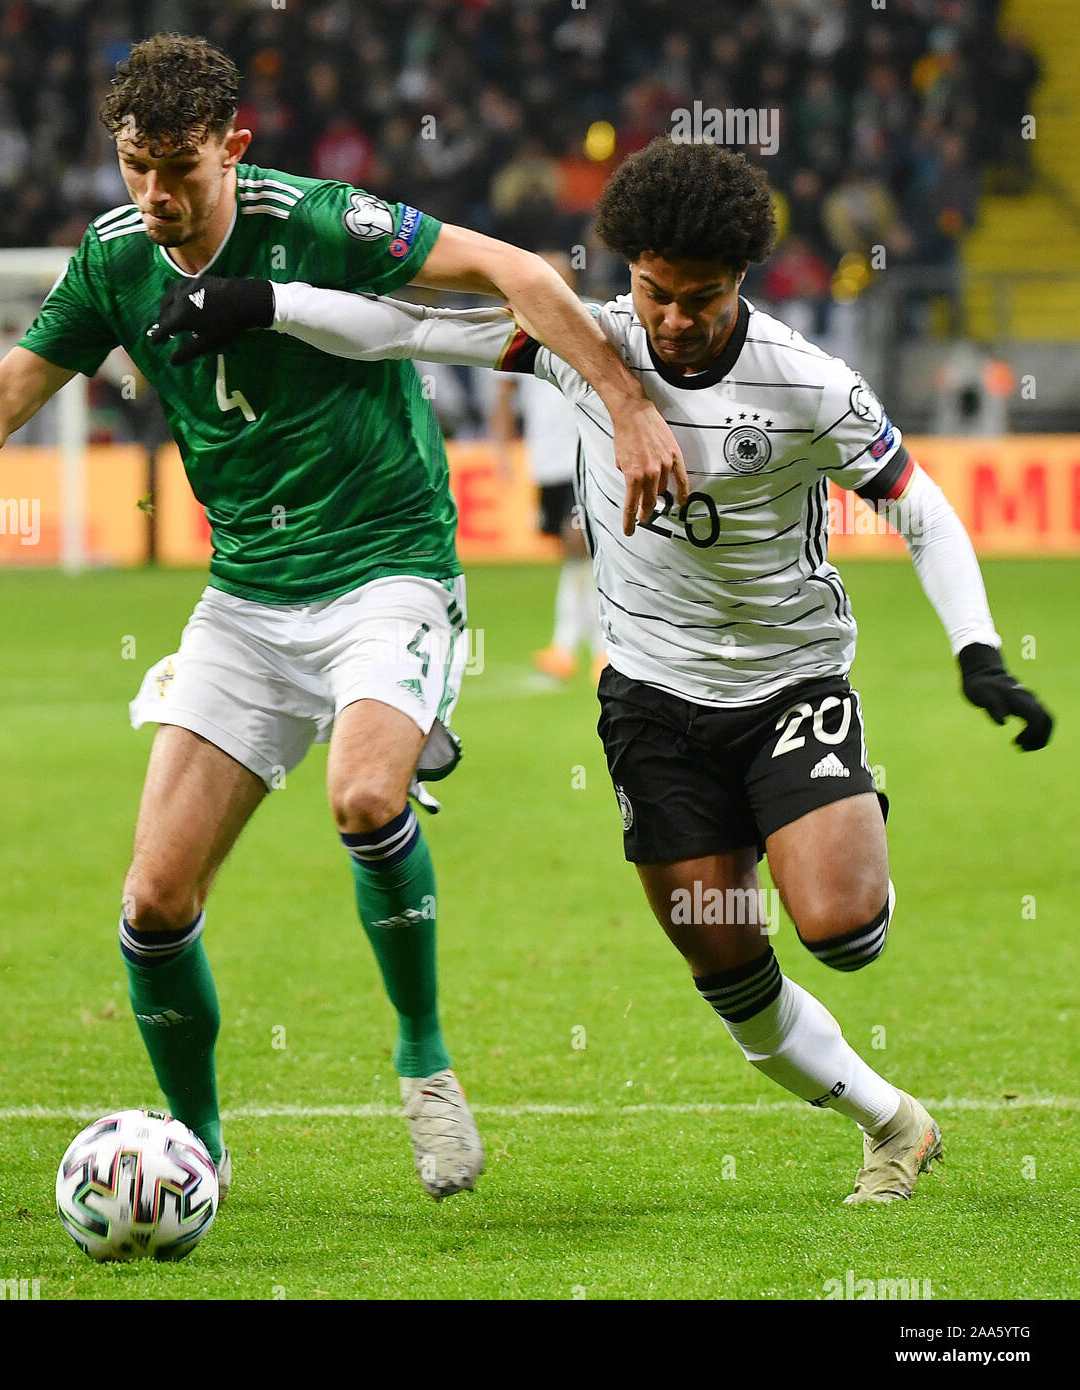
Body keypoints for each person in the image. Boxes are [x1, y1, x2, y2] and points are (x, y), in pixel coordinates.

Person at [0, 37, 685, 1203]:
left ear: (233, 148)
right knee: (151, 905)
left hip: (386, 563)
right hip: (246, 597)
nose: (156, 196)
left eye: (178, 167)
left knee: (365, 795)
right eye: (134, 166)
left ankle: (425, 1065)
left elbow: (519, 272)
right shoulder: (110, 261)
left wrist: (628, 407)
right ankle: (196, 1148)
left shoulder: (322, 219)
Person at [166, 138, 1055, 1204]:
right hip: (651, 704)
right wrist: (263, 301)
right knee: (726, 967)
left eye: (701, 298)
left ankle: (831, 810)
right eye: (653, 291)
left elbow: (918, 505)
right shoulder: (583, 343)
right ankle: (890, 1121)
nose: (674, 319)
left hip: (789, 685)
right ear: (625, 271)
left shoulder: (807, 383)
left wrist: (978, 650)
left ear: (743, 282)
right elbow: (406, 327)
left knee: (841, 931)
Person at [489, 250, 603, 683]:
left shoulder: (591, 321)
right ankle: (568, 645)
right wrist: (502, 450)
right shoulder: (518, 328)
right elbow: (503, 396)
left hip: (587, 455)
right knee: (573, 555)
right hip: (547, 458)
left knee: (583, 544)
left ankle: (596, 648)